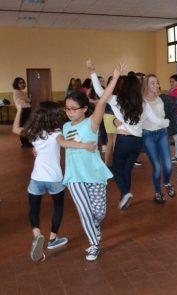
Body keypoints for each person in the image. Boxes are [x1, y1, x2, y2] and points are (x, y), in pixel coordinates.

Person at [12, 101, 95, 262]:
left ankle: (37, 235)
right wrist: (85, 145)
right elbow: (66, 143)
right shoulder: (57, 134)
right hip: (55, 179)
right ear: (53, 117)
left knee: (34, 209)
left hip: (36, 178)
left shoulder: (33, 133)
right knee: (58, 207)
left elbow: (15, 129)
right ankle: (52, 239)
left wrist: (20, 110)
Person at [63, 63, 125, 261]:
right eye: (67, 109)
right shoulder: (64, 126)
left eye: (73, 109)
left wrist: (113, 77)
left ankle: (95, 225)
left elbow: (102, 101)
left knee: (99, 212)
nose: (69, 112)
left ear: (83, 109)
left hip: (95, 175)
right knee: (84, 211)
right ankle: (94, 244)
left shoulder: (91, 123)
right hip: (74, 177)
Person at [88, 60, 168, 210]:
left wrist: (93, 72)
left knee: (117, 169)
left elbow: (100, 93)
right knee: (127, 170)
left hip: (124, 141)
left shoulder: (117, 100)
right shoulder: (144, 104)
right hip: (138, 143)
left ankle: (125, 193)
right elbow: (158, 121)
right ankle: (125, 197)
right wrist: (168, 122)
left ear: (124, 87)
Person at [142, 73, 177, 203]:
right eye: (152, 83)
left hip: (162, 133)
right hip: (148, 135)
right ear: (146, 86)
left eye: (157, 82)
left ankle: (166, 183)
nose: (156, 85)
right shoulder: (141, 101)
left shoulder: (163, 98)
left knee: (168, 165)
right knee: (156, 167)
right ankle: (157, 192)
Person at [12, 77, 33, 147]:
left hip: (26, 110)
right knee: (24, 126)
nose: (22, 84)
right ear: (16, 83)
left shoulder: (21, 92)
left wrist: (28, 99)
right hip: (23, 111)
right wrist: (28, 99)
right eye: (20, 83)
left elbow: (28, 100)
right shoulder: (17, 91)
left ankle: (26, 142)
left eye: (23, 82)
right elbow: (28, 100)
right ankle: (24, 143)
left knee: (26, 126)